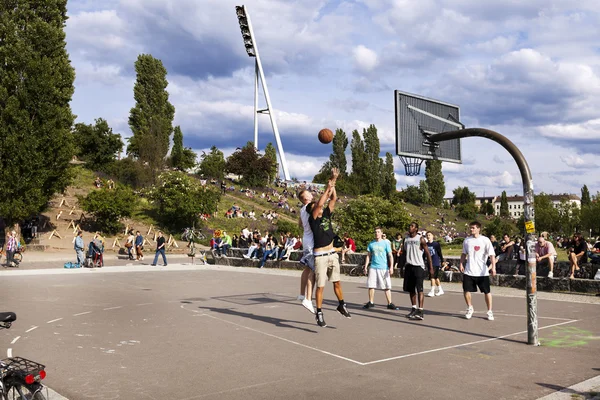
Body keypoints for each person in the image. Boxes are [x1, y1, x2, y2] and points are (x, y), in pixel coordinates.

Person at [308, 172, 351, 327]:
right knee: (320, 286)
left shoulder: (326, 215)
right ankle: (319, 312)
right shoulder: (313, 219)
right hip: (320, 256)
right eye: (315, 206)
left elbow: (333, 199)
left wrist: (334, 181)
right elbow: (320, 203)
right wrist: (327, 187)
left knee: (337, 283)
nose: (318, 207)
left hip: (332, 253)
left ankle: (341, 304)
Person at [460, 221, 496, 321]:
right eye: (470, 228)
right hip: (469, 270)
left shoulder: (485, 240)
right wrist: (461, 263)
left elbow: (492, 255)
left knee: (487, 292)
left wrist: (493, 268)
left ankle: (489, 311)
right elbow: (464, 254)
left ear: (478, 229)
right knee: (466, 290)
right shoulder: (467, 241)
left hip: (482, 272)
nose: (471, 229)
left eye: (473, 228)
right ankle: (470, 307)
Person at [402, 222, 433, 321]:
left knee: (419, 289)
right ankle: (414, 308)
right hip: (409, 266)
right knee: (411, 289)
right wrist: (402, 266)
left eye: (412, 226)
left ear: (416, 229)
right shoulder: (406, 239)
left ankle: (421, 310)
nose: (410, 228)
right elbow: (405, 253)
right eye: (409, 226)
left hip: (418, 266)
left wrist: (431, 267)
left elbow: (427, 253)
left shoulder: (420, 239)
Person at [362, 227, 398, 310]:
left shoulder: (385, 243)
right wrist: (366, 266)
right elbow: (368, 256)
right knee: (371, 285)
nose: (376, 233)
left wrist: (391, 267)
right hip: (373, 267)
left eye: (378, 232)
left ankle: (389, 303)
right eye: (375, 232)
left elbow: (390, 255)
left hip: (383, 267)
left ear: (381, 233)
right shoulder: (371, 244)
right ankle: (371, 302)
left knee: (386, 286)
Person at [297, 186, 317, 314]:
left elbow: (299, 224)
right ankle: (308, 299)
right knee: (313, 271)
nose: (311, 194)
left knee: (307, 269)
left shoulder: (302, 210)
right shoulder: (310, 208)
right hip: (311, 242)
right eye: (309, 193)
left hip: (306, 239)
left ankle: (301, 294)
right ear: (306, 198)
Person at [425, 231, 445, 297]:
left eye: (429, 235)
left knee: (432, 277)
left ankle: (432, 291)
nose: (428, 236)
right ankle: (440, 289)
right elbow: (424, 254)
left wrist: (442, 261)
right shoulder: (426, 244)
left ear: (433, 236)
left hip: (435, 262)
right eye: (427, 235)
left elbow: (440, 253)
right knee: (435, 277)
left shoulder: (436, 244)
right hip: (429, 262)